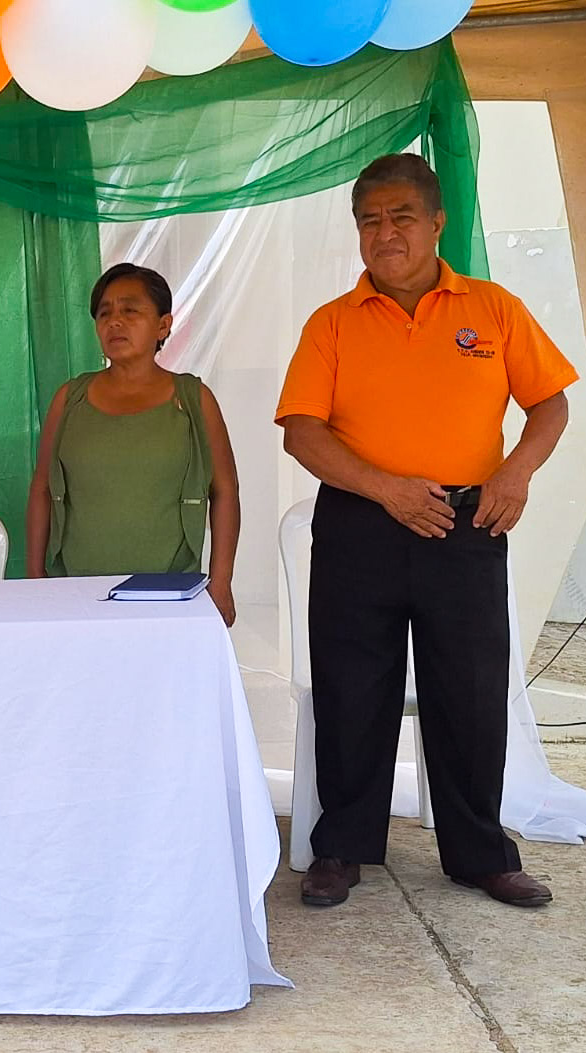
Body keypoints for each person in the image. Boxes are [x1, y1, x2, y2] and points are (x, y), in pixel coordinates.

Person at [276, 154, 577, 909]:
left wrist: (514, 474)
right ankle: (340, 848)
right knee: (351, 688)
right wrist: (387, 490)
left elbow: (549, 404)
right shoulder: (331, 322)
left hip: (467, 522)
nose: (385, 233)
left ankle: (479, 855)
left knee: (469, 691)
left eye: (401, 217)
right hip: (359, 524)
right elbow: (301, 432)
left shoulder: (493, 308)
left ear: (437, 222)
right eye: (369, 221)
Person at [25, 264, 240, 626]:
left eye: (130, 310)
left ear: (163, 325)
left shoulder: (193, 399)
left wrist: (221, 583)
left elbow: (225, 491)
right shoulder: (70, 398)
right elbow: (42, 487)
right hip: (77, 591)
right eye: (104, 313)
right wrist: (35, 575)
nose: (115, 321)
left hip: (170, 592)